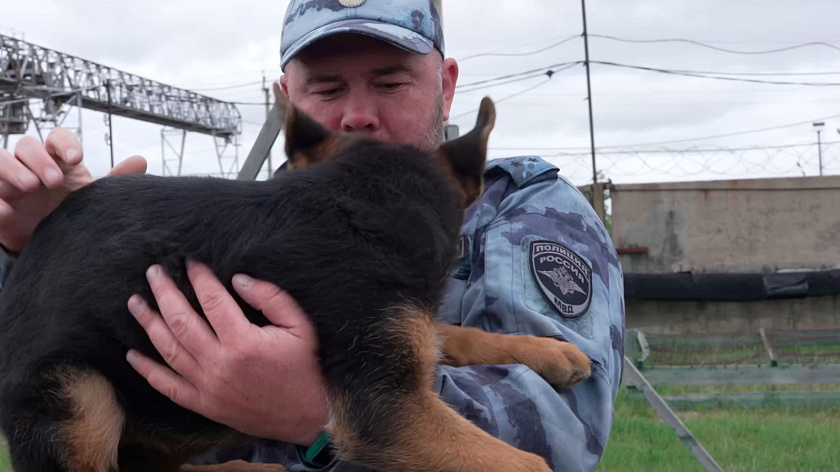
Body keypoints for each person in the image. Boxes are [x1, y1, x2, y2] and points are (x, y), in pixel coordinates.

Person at [0, 1, 625, 471]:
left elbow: (556, 440)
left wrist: (313, 414)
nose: (356, 113)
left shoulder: (529, 216)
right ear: (290, 107)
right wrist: (41, 245)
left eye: (390, 81)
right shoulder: (237, 218)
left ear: (446, 85)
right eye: (326, 88)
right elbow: (40, 356)